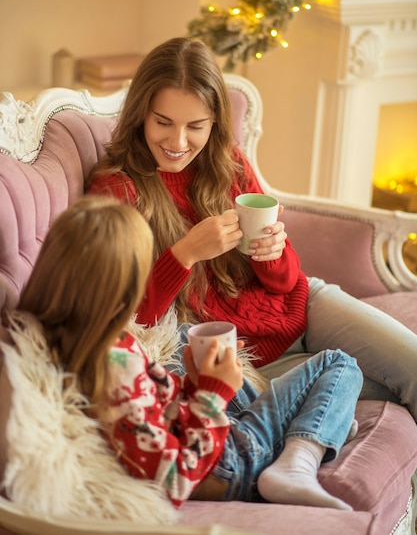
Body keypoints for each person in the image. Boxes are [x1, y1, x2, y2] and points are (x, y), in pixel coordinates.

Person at [87, 36, 417, 422]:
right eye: (163, 122)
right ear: (141, 114)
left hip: (303, 305)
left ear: (214, 122)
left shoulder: (229, 163)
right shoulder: (116, 191)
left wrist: (273, 251)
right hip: (244, 360)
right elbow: (126, 320)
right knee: (383, 393)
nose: (177, 142)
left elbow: (286, 280)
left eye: (195, 126)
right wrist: (185, 254)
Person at [8, 194, 363, 509]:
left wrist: (194, 383)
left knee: (218, 355)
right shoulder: (115, 367)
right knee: (339, 365)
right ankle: (296, 461)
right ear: (123, 287)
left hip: (212, 442)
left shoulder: (84, 340)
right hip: (230, 465)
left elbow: (156, 414)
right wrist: (212, 392)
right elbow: (175, 479)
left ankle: (315, 426)